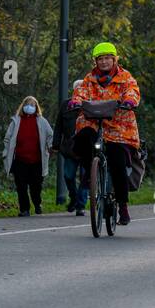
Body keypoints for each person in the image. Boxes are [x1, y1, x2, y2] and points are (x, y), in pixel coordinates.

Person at [69, 42, 142, 226]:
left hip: (118, 126)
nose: (104, 62)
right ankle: (90, 171)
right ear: (96, 62)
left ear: (114, 59)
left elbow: (133, 91)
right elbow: (81, 92)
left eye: (107, 58)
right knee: (83, 137)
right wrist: (76, 101)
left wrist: (129, 100)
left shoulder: (125, 77)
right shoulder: (89, 79)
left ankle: (123, 206)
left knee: (117, 161)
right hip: (94, 122)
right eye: (100, 59)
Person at [3, 95, 53, 216]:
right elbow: (8, 137)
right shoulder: (16, 120)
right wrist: (6, 151)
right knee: (21, 186)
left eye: (32, 104)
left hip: (37, 161)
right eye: (27, 104)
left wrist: (50, 146)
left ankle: (37, 203)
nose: (29, 107)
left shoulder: (42, 121)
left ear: (36, 107)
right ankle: (24, 209)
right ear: (23, 106)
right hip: (20, 160)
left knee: (36, 186)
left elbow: (50, 135)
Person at [52, 80, 86, 214]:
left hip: (86, 148)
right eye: (77, 88)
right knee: (68, 176)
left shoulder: (90, 104)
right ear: (73, 90)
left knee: (86, 177)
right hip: (70, 148)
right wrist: (55, 144)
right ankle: (74, 197)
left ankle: (80, 206)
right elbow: (58, 126)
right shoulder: (66, 105)